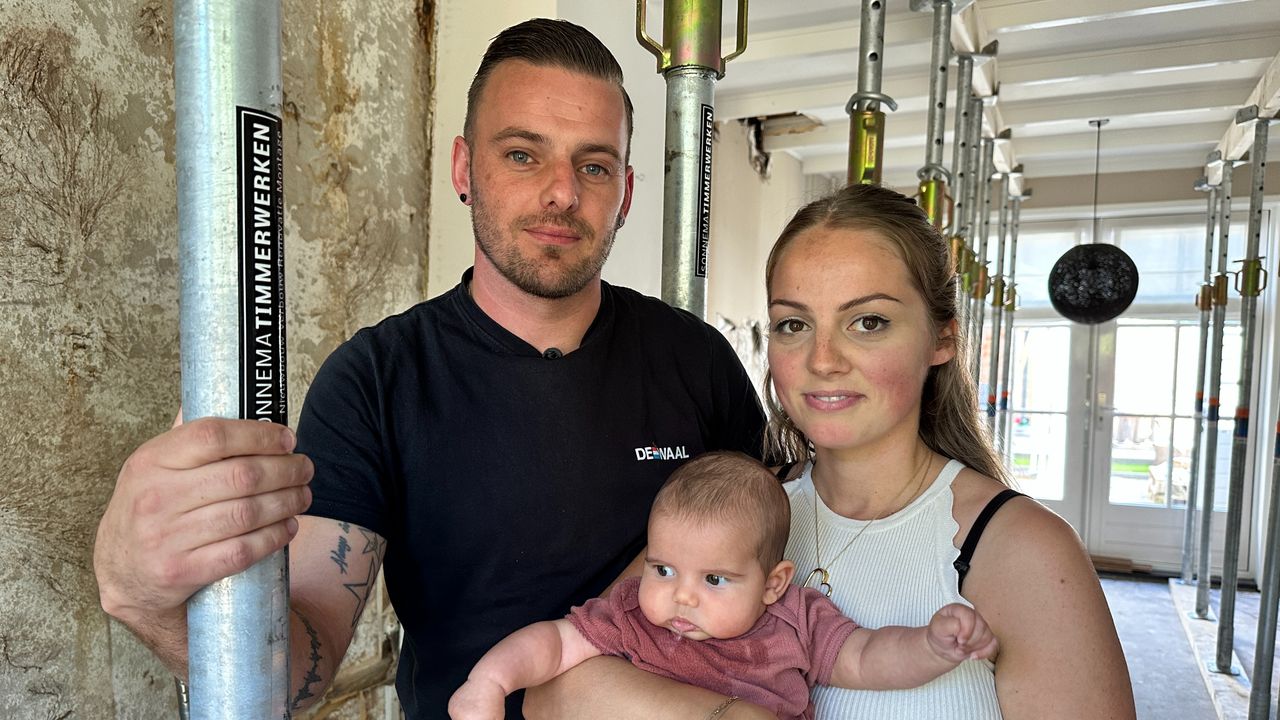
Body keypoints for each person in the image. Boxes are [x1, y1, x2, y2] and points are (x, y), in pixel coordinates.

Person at [92, 18, 765, 720]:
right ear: (463, 170)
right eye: (523, 155)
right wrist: (145, 599)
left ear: (624, 193)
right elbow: (304, 662)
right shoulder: (377, 381)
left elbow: (779, 568)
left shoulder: (698, 361)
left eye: (593, 166)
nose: (563, 193)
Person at [524, 185, 1137, 720]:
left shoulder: (1021, 548)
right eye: (794, 324)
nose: (822, 360)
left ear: (942, 336)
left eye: (867, 322)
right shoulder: (737, 510)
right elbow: (552, 690)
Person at [449, 451, 998, 720]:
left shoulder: (796, 621)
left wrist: (931, 645)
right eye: (662, 569)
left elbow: (867, 659)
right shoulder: (632, 615)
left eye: (714, 579)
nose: (681, 595)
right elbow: (555, 642)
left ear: (772, 583)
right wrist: (489, 681)